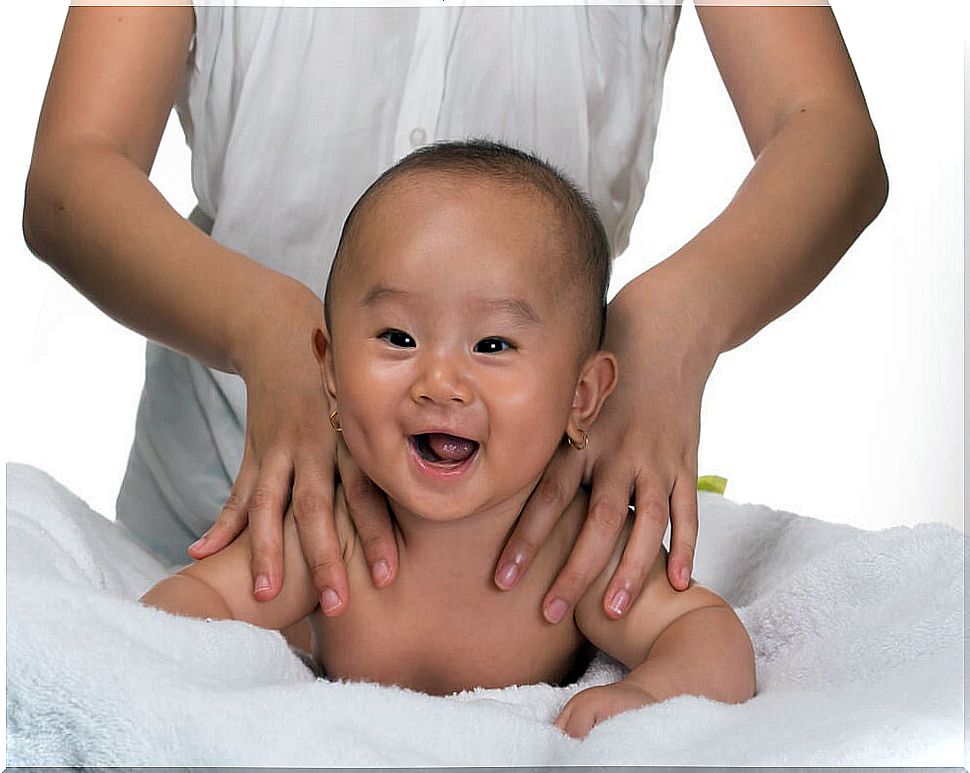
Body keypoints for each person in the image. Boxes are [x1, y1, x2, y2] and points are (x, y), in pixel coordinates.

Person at [23, 6, 887, 625]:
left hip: (528, 514)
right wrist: (264, 326)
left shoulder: (569, 587)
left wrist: (675, 320)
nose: (436, 377)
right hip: (227, 494)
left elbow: (827, 130)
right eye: (399, 339)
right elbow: (74, 168)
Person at [140, 139, 757, 739]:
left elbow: (707, 634)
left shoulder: (575, 545)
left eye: (492, 345)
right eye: (398, 339)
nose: (441, 383)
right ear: (328, 371)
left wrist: (646, 695)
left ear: (582, 396)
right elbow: (187, 604)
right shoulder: (328, 533)